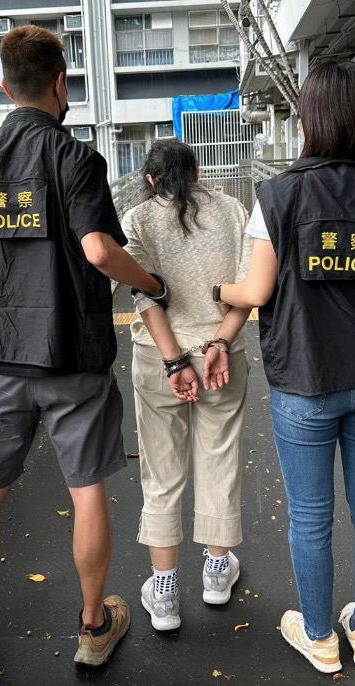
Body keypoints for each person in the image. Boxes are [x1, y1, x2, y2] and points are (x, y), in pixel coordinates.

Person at [0, 26, 169, 668]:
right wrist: (152, 282)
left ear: (5, 87)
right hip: (73, 360)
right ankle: (94, 629)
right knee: (86, 490)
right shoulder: (77, 160)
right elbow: (98, 249)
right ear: (61, 84)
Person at [215, 62, 355, 673]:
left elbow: (255, 290)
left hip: (305, 381)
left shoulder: (277, 196)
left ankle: (319, 638)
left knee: (311, 517)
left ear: (308, 118)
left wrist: (217, 291)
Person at [122, 140, 253, 631]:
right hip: (223, 354)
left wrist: (175, 360)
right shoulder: (233, 211)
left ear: (151, 178)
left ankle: (165, 589)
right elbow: (250, 286)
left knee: (161, 471)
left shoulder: (137, 220)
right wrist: (220, 339)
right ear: (196, 172)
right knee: (220, 459)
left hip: (159, 358)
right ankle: (217, 574)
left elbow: (144, 294)